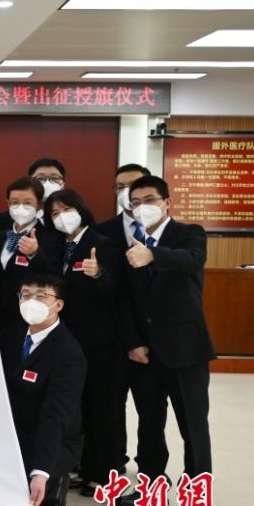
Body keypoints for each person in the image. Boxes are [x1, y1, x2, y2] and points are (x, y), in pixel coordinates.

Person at [115, 175, 215, 506]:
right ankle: (150, 484)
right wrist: (132, 342)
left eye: (150, 199)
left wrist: (153, 254)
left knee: (193, 426)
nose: (143, 207)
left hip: (185, 350)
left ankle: (195, 499)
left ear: (167, 202)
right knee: (149, 424)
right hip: (145, 353)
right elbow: (126, 300)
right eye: (136, 202)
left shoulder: (189, 233)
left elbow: (192, 260)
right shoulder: (130, 243)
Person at [44, 189, 125, 498]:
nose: (61, 216)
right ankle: (85, 467)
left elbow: (115, 290)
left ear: (80, 208)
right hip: (68, 340)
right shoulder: (56, 246)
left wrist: (99, 273)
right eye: (54, 213)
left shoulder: (102, 244)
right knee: (77, 407)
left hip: (100, 342)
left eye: (66, 209)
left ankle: (105, 473)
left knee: (102, 408)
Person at [0, 275, 86, 506]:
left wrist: (41, 472)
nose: (31, 302)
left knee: (31, 481)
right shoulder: (11, 335)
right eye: (25, 295)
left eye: (41, 296)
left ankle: (57, 480)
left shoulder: (68, 354)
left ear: (58, 305)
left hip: (51, 436)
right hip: (14, 430)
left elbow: (55, 417)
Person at [95, 163, 153, 474]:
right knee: (110, 407)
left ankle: (151, 470)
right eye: (120, 187)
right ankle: (113, 465)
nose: (127, 192)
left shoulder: (168, 233)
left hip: (151, 338)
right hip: (111, 335)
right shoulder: (103, 231)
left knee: (151, 410)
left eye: (133, 185)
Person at [0, 177, 64, 330]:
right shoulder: (0, 237)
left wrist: (35, 253)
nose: (20, 207)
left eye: (28, 203)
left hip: (30, 317)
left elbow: (55, 275)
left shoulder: (51, 237)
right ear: (8, 203)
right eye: (15, 202)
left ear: (39, 205)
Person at [0, 158, 67, 230]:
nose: (47, 183)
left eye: (54, 178)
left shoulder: (69, 216)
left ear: (63, 184)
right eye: (40, 178)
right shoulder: (5, 219)